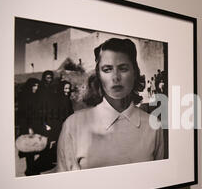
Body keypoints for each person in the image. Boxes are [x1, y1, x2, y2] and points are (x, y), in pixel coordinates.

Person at [57, 38, 164, 171]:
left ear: (135, 73)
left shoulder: (153, 126)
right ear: (98, 76)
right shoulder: (74, 125)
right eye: (107, 69)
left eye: (123, 68)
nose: (115, 77)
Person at [16, 77, 43, 176]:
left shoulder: (36, 97)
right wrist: (29, 128)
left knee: (35, 147)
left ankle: (32, 168)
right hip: (28, 127)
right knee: (29, 149)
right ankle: (30, 169)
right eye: (34, 85)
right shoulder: (25, 98)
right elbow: (22, 114)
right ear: (30, 86)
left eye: (37, 86)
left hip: (35, 125)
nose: (36, 87)